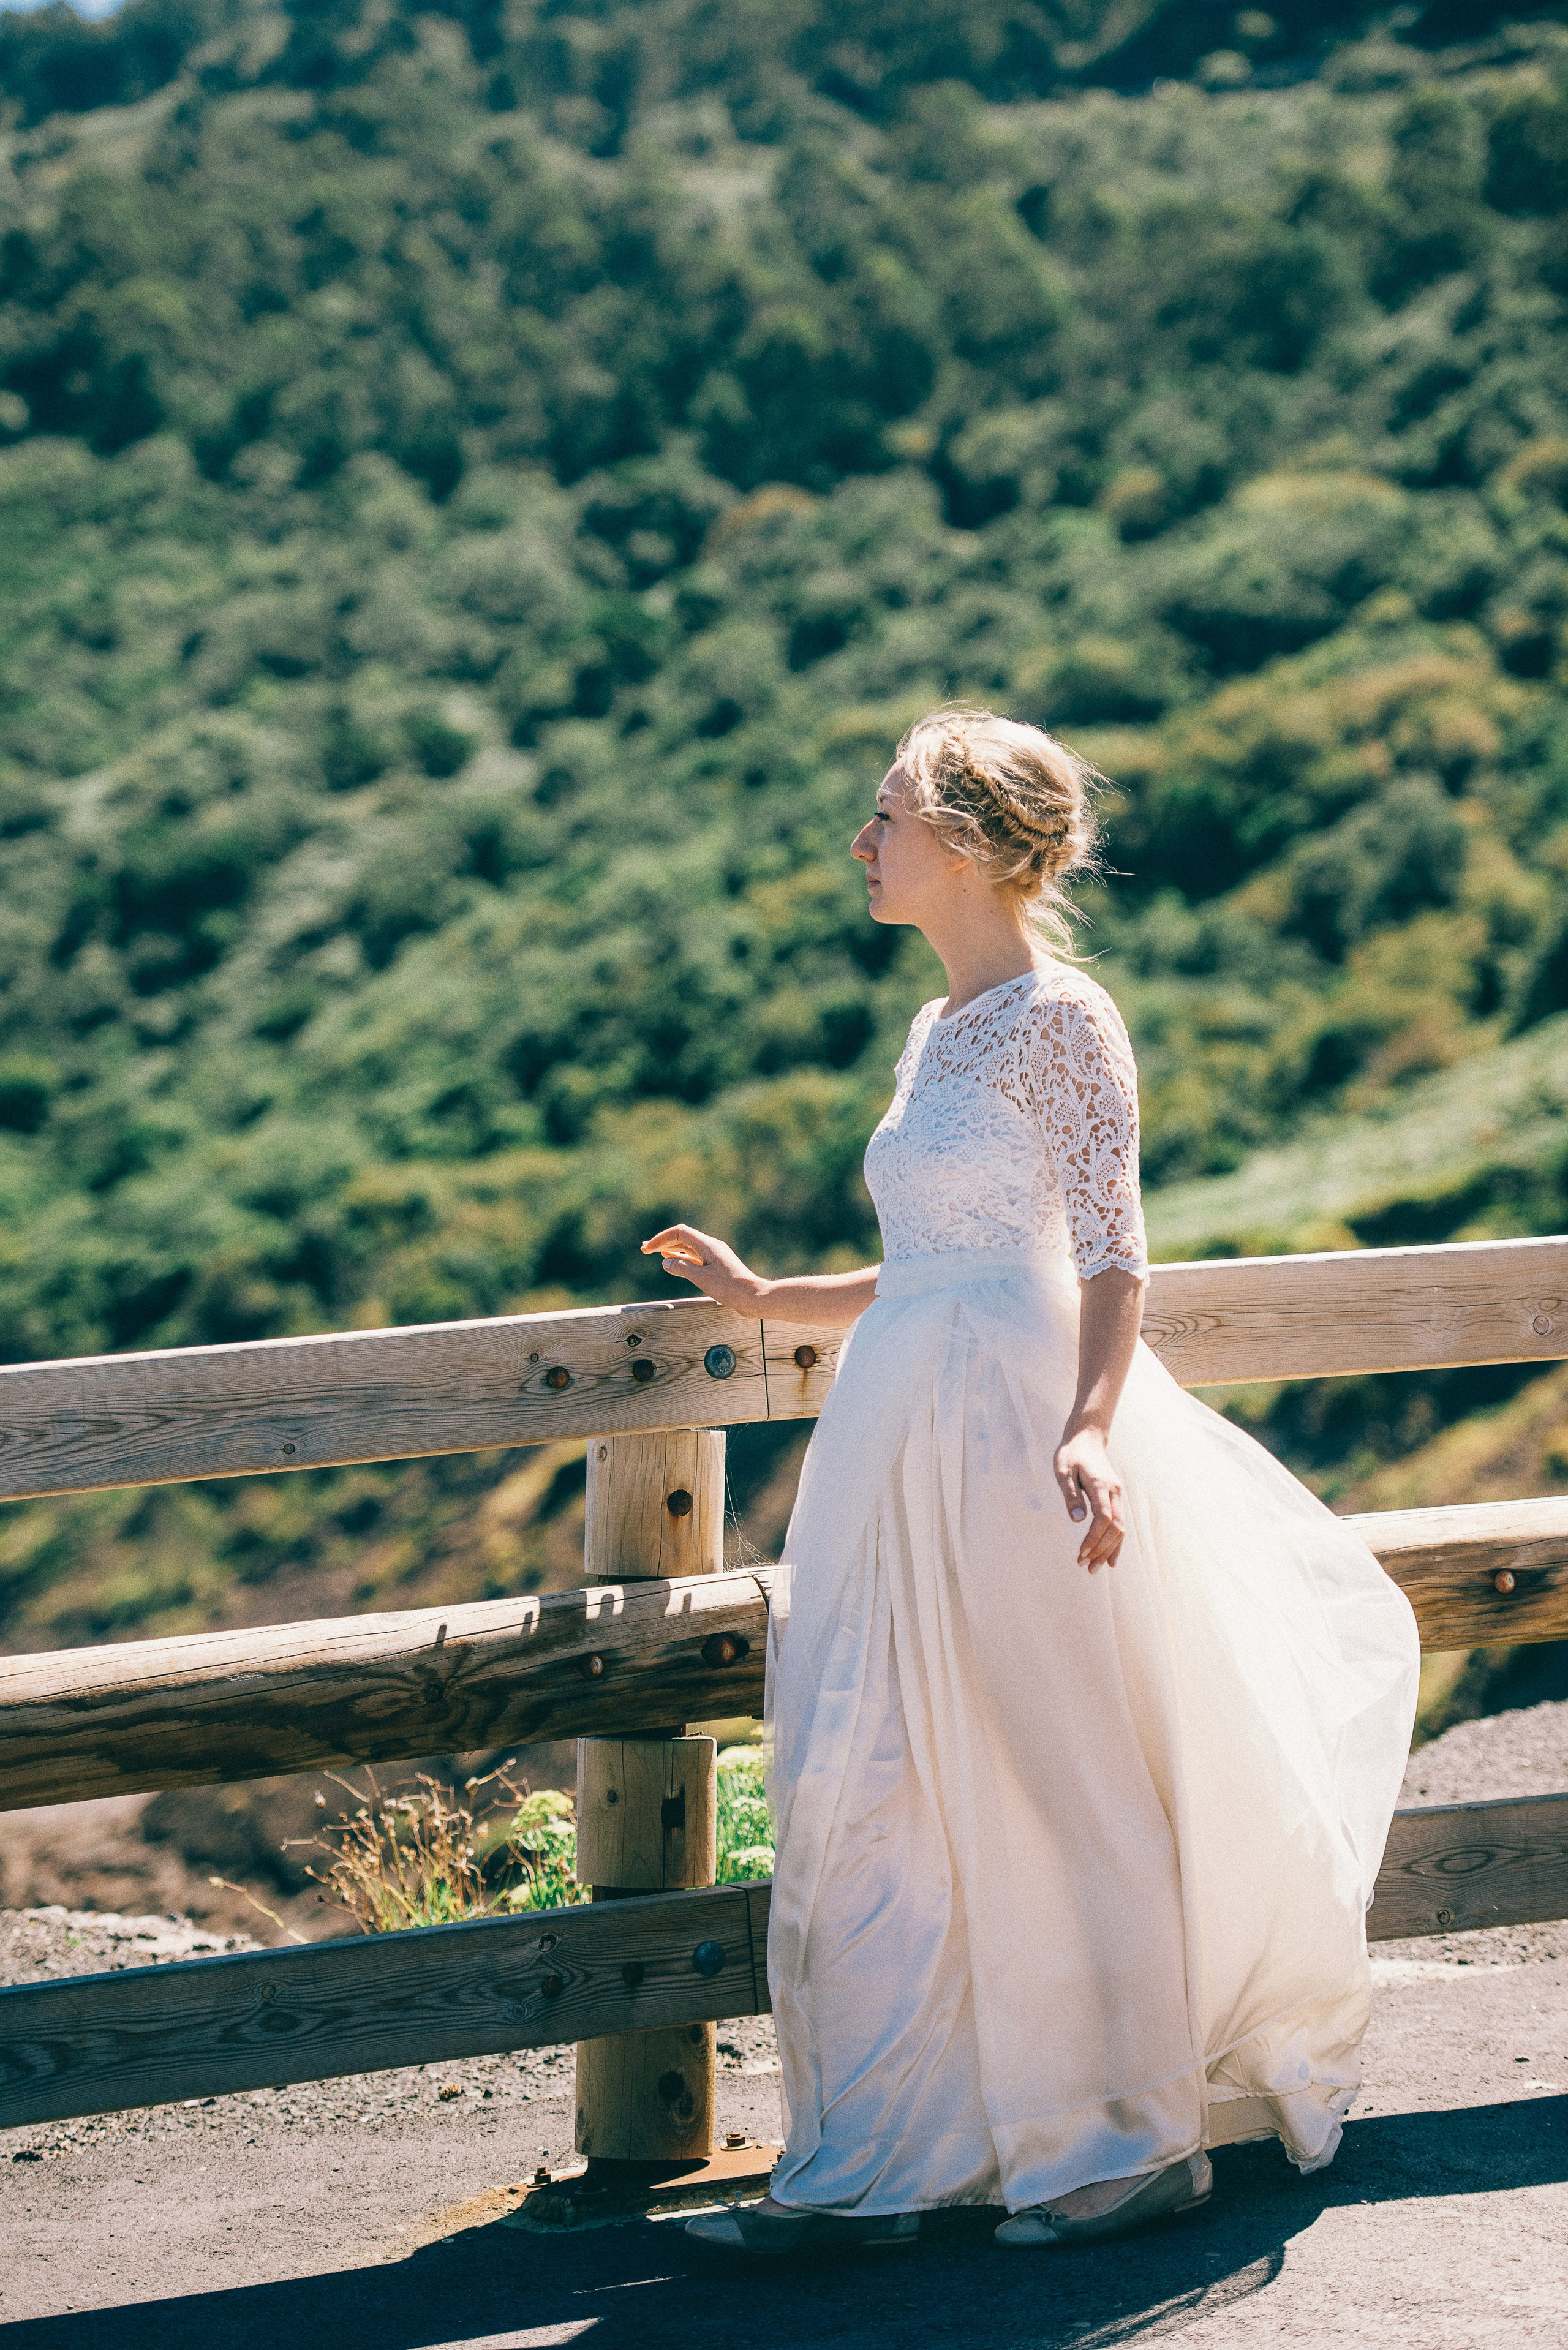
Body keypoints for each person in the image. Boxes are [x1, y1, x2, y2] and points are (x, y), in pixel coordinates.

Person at [642, 709, 1420, 2255]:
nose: (861, 842)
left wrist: (1085, 1426)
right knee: (878, 1769)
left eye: (885, 817)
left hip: (1011, 1417)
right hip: (894, 1421)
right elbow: (931, 1259)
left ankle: (1127, 2140)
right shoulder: (935, 1032)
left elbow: (1107, 1250)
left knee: (1056, 1769)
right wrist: (760, 1297)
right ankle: (889, 2153)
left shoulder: (1068, 1016)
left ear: (977, 844)